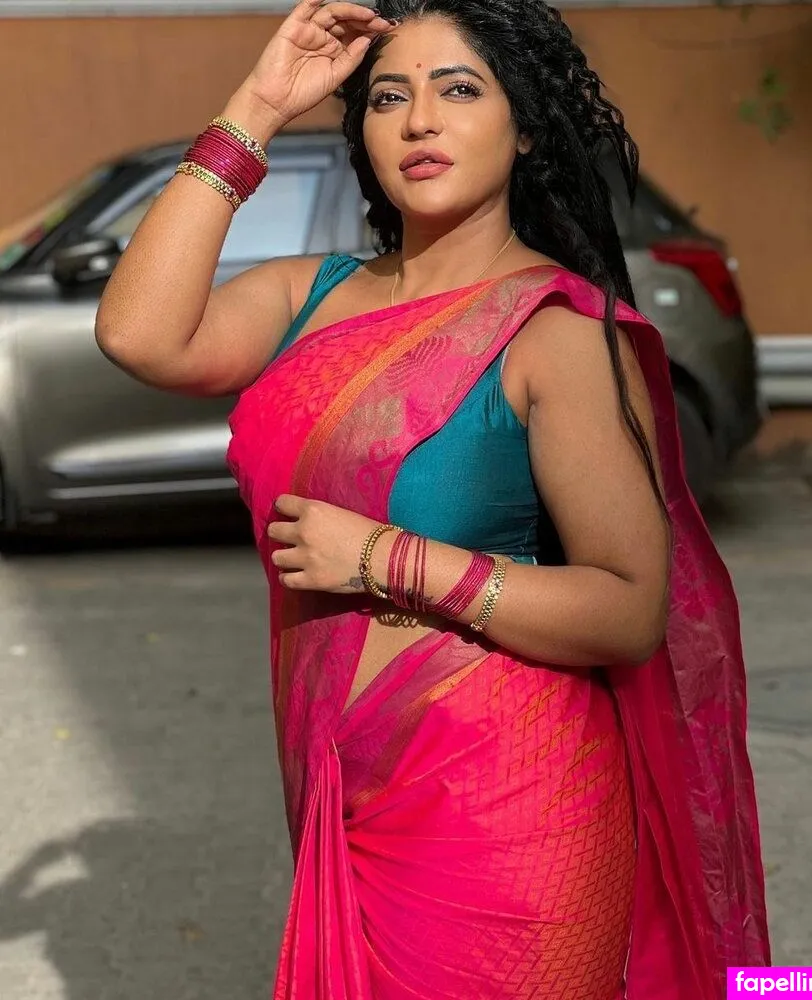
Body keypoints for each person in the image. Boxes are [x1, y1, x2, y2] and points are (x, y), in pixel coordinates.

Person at [95, 0, 770, 996]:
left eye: (459, 89)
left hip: (511, 811)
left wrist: (384, 559)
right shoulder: (308, 296)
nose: (419, 121)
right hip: (340, 784)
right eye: (387, 98)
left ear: (524, 125)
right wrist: (259, 105)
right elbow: (139, 334)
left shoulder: (554, 332)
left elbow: (630, 607)